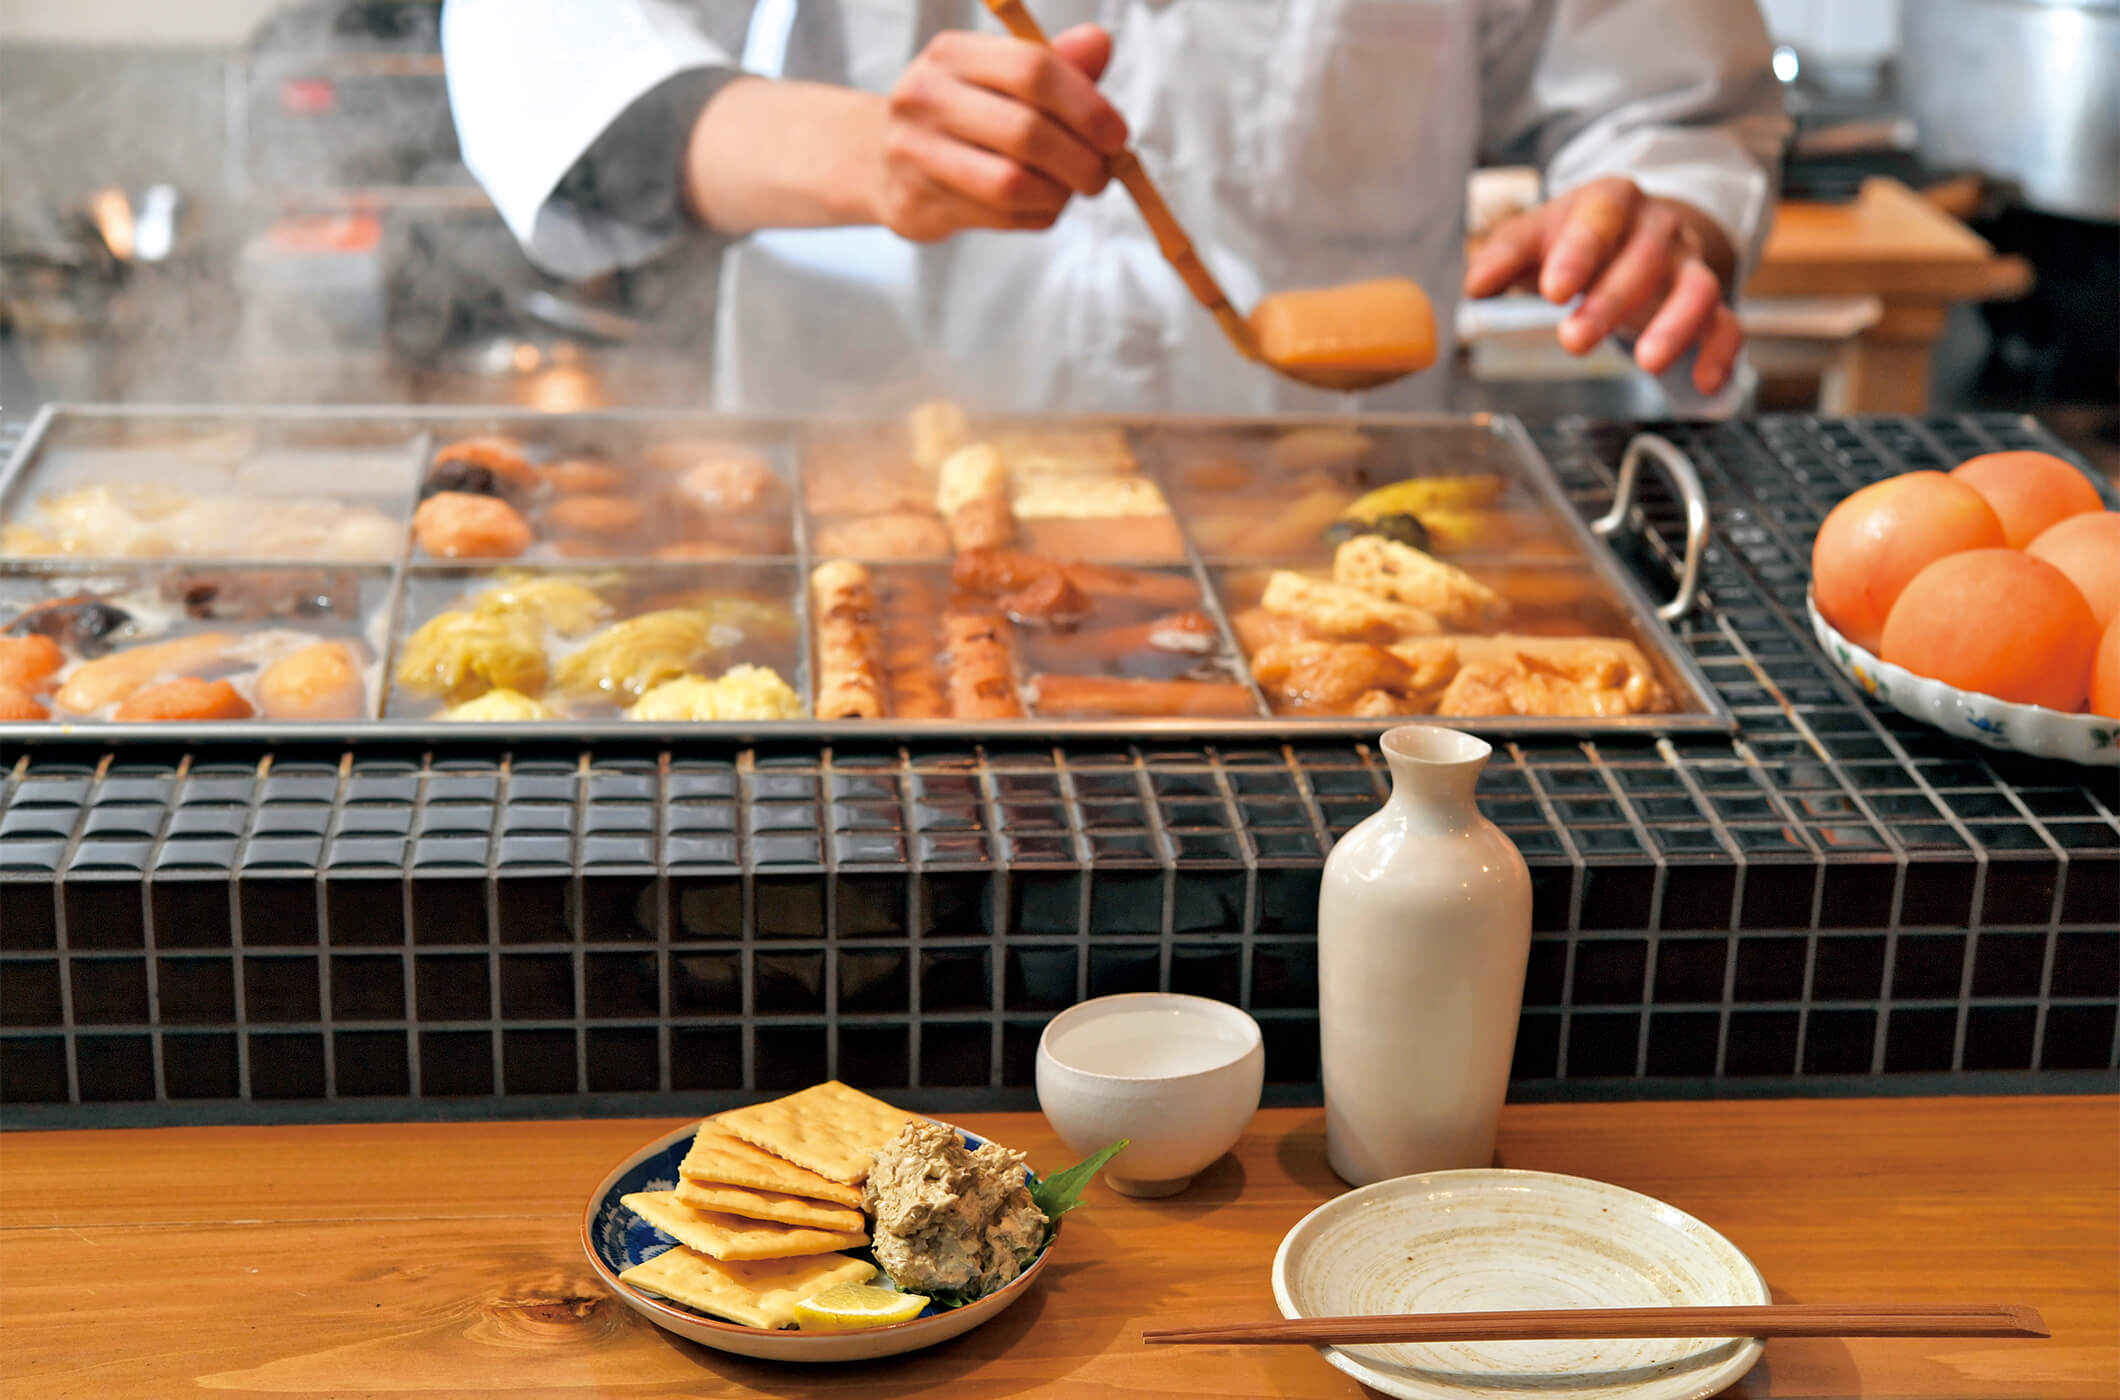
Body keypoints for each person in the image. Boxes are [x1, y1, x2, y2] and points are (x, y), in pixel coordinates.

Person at [443, 0, 1788, 416]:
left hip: (1318, 530)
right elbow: (550, 65)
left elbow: (1670, 102)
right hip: (852, 511)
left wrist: (1667, 210)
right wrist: (872, 153)